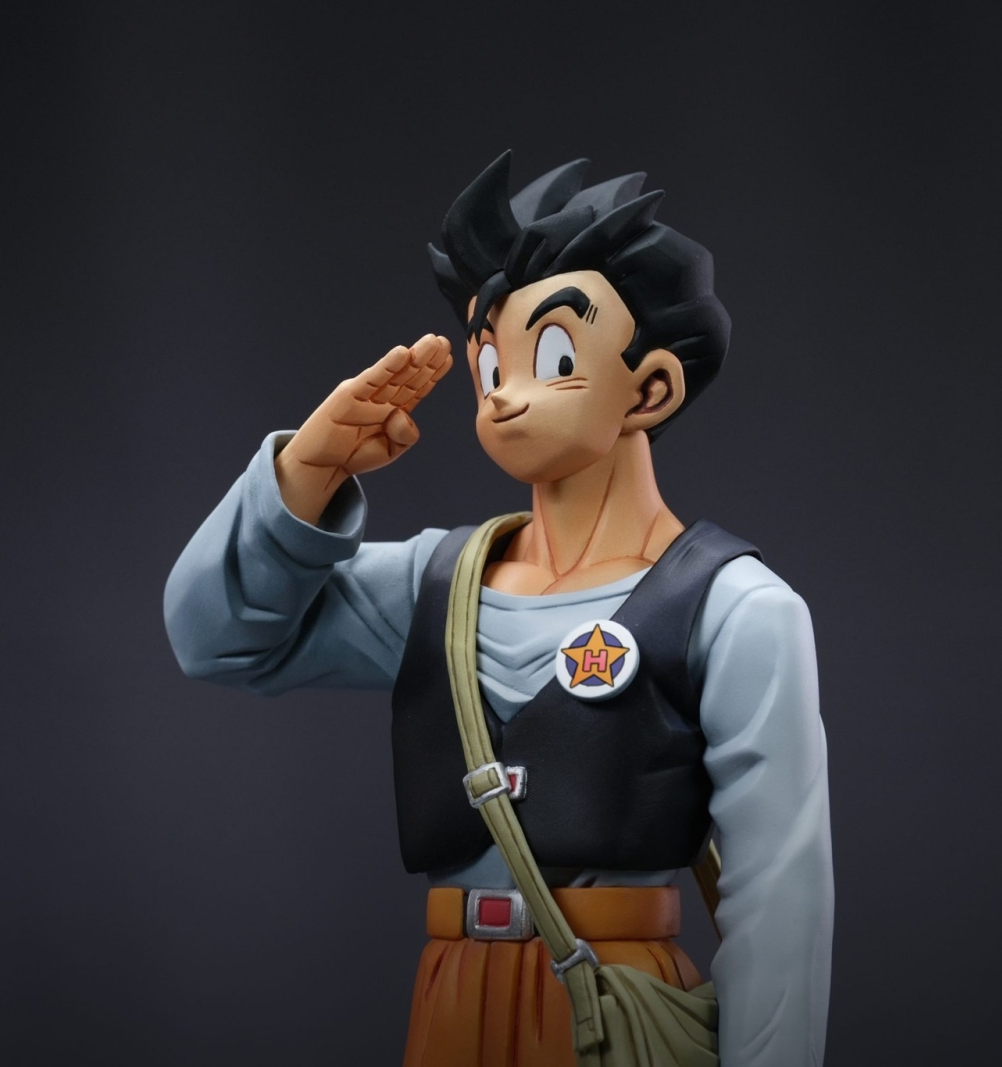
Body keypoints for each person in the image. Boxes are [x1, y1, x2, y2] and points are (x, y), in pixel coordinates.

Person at [164, 152, 832, 1066]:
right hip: (452, 994)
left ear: (651, 388)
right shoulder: (437, 582)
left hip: (616, 1001)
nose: (506, 391)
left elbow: (780, 900)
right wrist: (305, 473)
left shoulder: (735, 609)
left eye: (553, 356)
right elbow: (213, 636)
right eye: (489, 361)